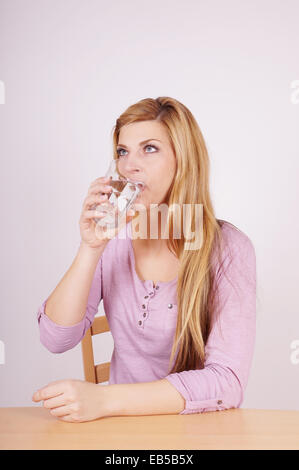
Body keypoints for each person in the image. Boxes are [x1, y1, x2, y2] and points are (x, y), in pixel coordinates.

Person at [32, 97, 256, 423]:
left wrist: (104, 399)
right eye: (123, 152)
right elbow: (56, 340)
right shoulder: (114, 238)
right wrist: (90, 248)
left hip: (196, 429)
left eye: (149, 148)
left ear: (184, 160)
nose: (129, 166)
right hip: (121, 431)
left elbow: (227, 381)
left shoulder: (228, 249)